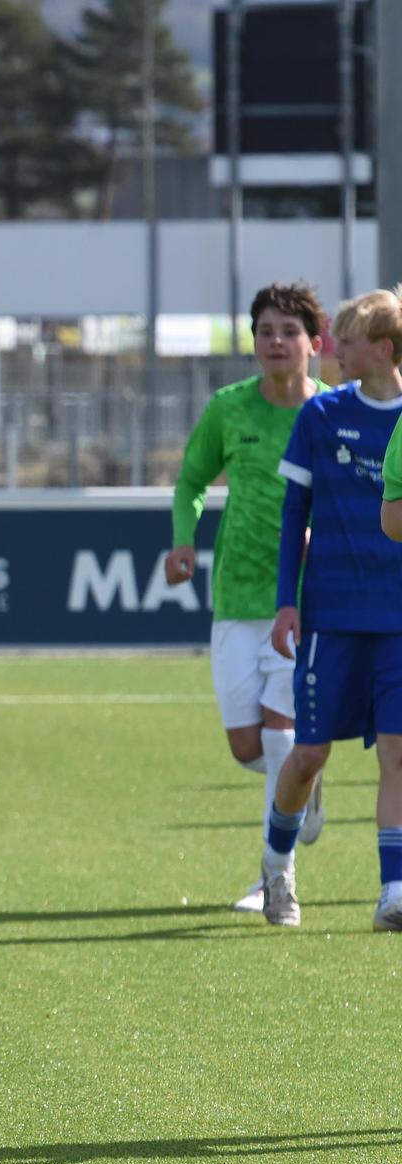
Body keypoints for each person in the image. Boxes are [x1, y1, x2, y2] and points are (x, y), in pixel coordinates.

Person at [167, 283, 329, 912]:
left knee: (281, 730)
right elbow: (189, 479)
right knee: (246, 747)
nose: (277, 342)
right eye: (265, 331)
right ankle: (303, 781)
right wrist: (183, 539)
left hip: (305, 602)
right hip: (236, 597)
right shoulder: (229, 408)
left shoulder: (329, 413)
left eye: (290, 331)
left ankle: (275, 877)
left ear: (316, 343)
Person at [266, 287, 402, 928]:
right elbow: (294, 514)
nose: (331, 348)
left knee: (397, 756)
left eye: (343, 339)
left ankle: (393, 892)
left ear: (382, 348)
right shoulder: (321, 418)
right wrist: (285, 603)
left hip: (397, 620)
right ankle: (276, 864)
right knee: (310, 755)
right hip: (331, 616)